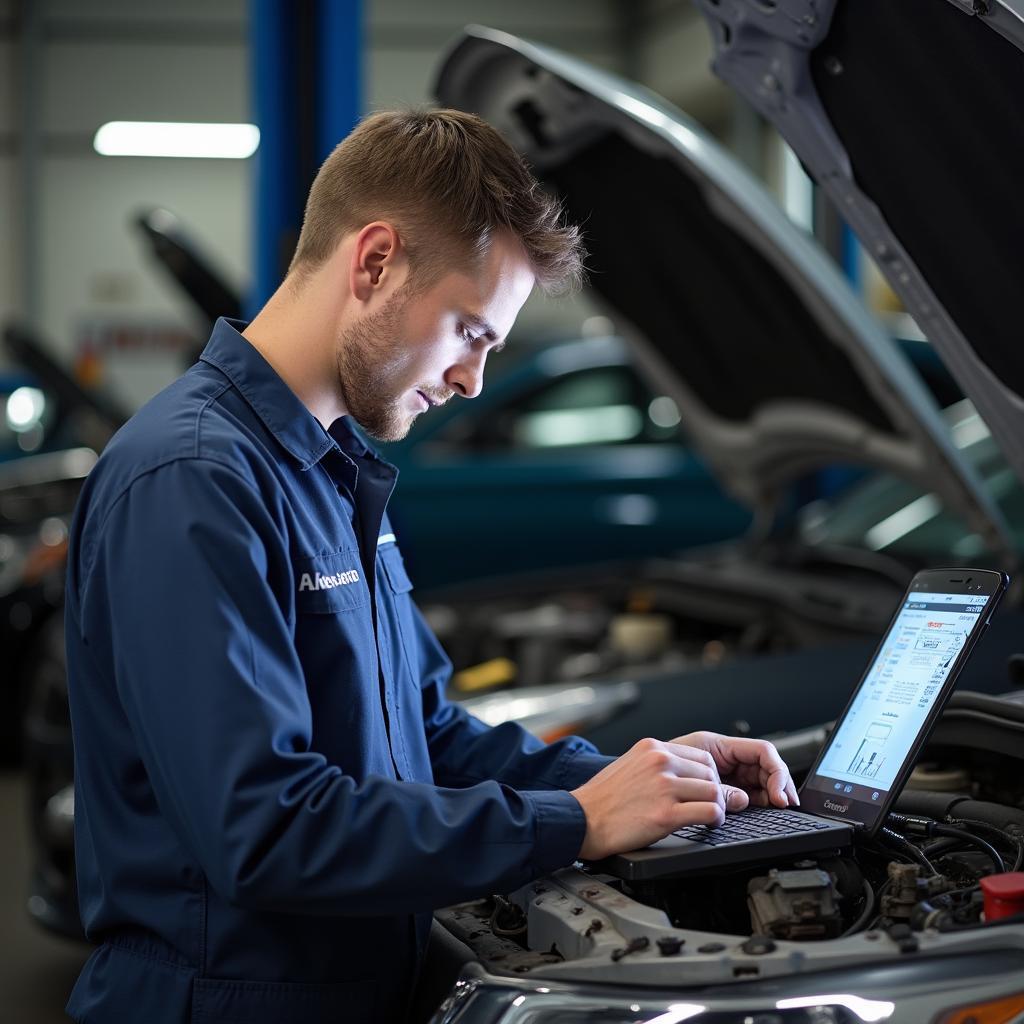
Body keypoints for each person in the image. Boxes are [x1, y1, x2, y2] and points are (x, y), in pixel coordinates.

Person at [64, 109, 798, 1024]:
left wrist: (633, 781)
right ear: (374, 262)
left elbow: (427, 740)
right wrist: (574, 823)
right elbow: (264, 828)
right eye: (470, 331)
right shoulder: (195, 480)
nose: (471, 382)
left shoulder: (331, 471)